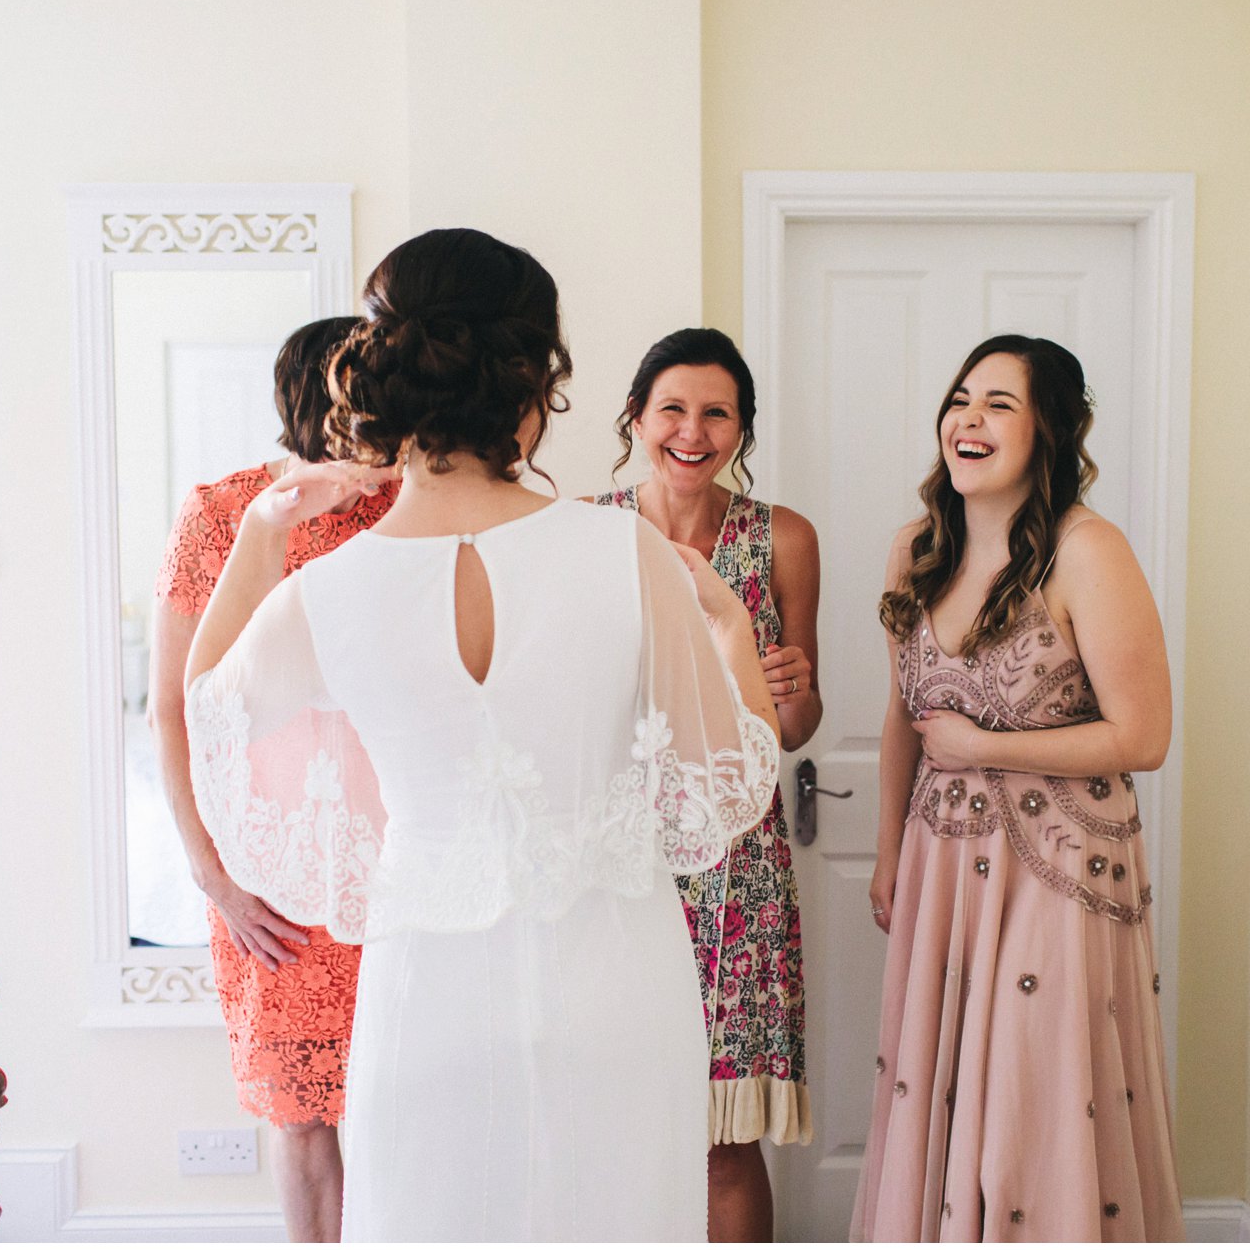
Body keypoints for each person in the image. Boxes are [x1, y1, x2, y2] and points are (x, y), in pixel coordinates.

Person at [182, 228, 782, 1241]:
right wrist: (730, 631)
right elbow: (731, 775)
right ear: (533, 379)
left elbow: (210, 709)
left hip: (432, 992)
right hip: (618, 986)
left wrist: (260, 535)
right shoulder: (623, 549)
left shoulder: (326, 590)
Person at [851, 335, 1184, 1241]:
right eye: (962, 398)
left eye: (1000, 402)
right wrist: (887, 855)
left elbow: (1143, 735)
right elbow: (901, 720)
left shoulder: (1086, 551)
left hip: (1056, 869)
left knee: (1031, 1102)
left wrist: (989, 744)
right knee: (943, 1084)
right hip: (939, 867)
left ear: (1047, 430)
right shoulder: (913, 551)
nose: (970, 418)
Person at [149, 316, 396, 1243]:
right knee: (304, 1121)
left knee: (399, 1107)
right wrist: (212, 874)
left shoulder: (409, 511)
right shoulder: (222, 513)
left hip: (396, 861)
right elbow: (171, 708)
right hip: (269, 871)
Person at [590, 327, 816, 1242]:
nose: (693, 429)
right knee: (617, 1116)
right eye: (672, 408)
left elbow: (795, 728)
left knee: (725, 1139)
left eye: (716, 411)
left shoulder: (780, 539)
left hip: (738, 869)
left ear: (742, 429)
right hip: (619, 857)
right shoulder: (588, 531)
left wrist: (790, 691)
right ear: (637, 418)